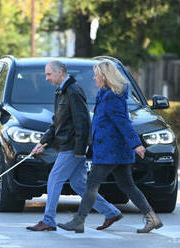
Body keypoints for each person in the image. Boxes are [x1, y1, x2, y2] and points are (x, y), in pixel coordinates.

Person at [57, 60, 163, 233]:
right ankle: (152, 218)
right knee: (127, 185)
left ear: (105, 77)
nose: (94, 78)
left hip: (110, 150)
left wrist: (136, 144)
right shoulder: (106, 94)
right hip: (113, 149)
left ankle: (79, 221)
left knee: (91, 185)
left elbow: (123, 122)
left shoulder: (112, 97)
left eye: (96, 75)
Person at [26, 60, 122, 232]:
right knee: (79, 184)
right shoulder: (61, 91)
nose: (46, 78)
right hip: (67, 145)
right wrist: (42, 143)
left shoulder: (73, 90)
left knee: (55, 178)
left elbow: (83, 121)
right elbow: (57, 123)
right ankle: (111, 212)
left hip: (72, 146)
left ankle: (48, 220)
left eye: (49, 74)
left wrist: (80, 150)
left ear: (60, 72)